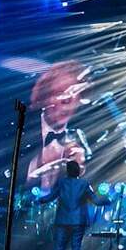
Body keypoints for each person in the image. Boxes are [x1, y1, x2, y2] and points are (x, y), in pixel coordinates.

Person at [38, 160, 110, 250]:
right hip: (78, 222)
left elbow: (50, 197)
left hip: (62, 221)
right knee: (76, 249)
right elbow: (96, 201)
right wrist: (107, 200)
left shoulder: (61, 183)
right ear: (78, 171)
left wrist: (40, 200)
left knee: (58, 248)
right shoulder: (84, 183)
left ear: (67, 171)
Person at [26, 61, 89, 191]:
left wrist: (78, 172)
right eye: (59, 92)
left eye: (74, 92)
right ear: (44, 97)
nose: (67, 100)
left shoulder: (84, 140)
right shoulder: (20, 130)